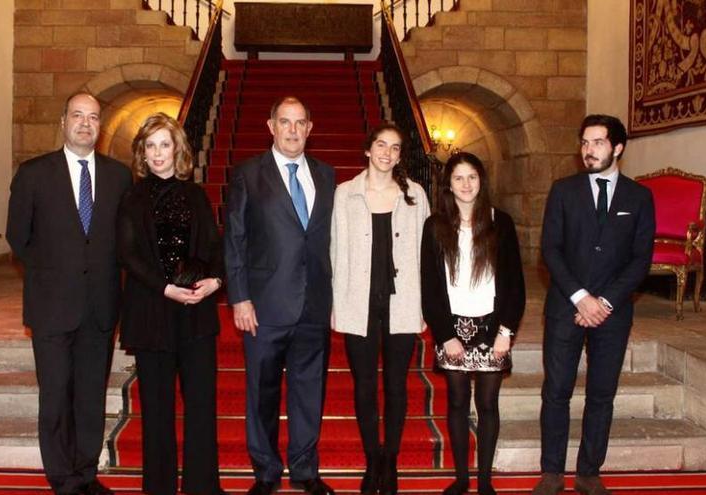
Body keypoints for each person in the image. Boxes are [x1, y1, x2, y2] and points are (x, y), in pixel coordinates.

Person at [6, 92, 132, 495]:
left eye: (93, 117)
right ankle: (61, 478)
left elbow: (123, 240)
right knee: (56, 394)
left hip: (100, 306)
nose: (84, 124)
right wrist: (52, 273)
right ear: (62, 121)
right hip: (51, 306)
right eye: (77, 115)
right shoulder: (33, 173)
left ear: (101, 126)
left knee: (91, 395)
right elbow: (18, 237)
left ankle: (85, 473)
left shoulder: (118, 176)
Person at [533, 115, 655, 495]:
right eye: (585, 142)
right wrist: (580, 297)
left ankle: (589, 470)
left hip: (612, 312)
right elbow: (550, 250)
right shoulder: (563, 190)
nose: (589, 150)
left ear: (617, 147)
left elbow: (640, 260)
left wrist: (603, 301)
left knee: (602, 393)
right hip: (565, 306)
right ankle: (551, 472)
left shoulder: (639, 197)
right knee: (556, 390)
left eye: (598, 142)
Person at [224, 96, 337, 495]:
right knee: (262, 393)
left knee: (310, 392)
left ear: (310, 128)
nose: (292, 130)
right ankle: (266, 472)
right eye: (284, 122)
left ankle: (305, 470)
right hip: (264, 306)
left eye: (300, 122)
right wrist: (239, 297)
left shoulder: (327, 174)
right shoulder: (248, 174)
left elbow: (328, 241)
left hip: (314, 305)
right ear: (270, 126)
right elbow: (235, 238)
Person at [116, 113, 227, 495]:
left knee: (200, 409)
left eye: (165, 144)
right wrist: (165, 288)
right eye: (150, 146)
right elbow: (128, 255)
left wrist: (215, 281)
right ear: (142, 154)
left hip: (196, 314)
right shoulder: (131, 197)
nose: (158, 153)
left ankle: (202, 487)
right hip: (152, 313)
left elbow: (214, 247)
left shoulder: (196, 195)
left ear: (177, 149)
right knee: (157, 413)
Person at [331, 124, 430, 495]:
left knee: (396, 385)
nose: (387, 152)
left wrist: (423, 306)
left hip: (402, 300)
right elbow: (335, 250)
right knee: (365, 385)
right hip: (358, 301)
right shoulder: (345, 194)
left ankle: (391, 459)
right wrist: (337, 303)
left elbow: (425, 254)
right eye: (380, 145)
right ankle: (372, 458)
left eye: (395, 147)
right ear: (368, 150)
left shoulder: (415, 195)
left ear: (400, 155)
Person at [420, 152, 525, 495]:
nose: (466, 184)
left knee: (488, 404)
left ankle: (484, 482)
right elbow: (430, 286)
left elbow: (515, 283)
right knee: (456, 402)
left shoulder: (501, 222)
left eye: (472, 177)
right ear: (448, 185)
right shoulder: (435, 226)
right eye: (458, 178)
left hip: (492, 328)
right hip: (453, 328)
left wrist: (505, 332)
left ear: (482, 180)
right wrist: (445, 334)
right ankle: (463, 478)